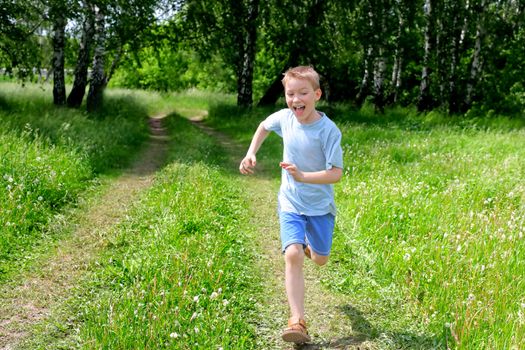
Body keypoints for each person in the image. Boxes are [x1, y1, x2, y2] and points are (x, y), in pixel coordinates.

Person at [239, 66, 343, 344]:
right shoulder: (285, 118)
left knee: (320, 259)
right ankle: (297, 321)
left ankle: (311, 248)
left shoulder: (328, 131)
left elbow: (336, 173)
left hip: (320, 207)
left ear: (317, 94)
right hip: (291, 203)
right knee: (293, 254)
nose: (296, 99)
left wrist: (303, 176)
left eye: (303, 93)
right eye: (290, 94)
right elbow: (263, 126)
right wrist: (251, 153)